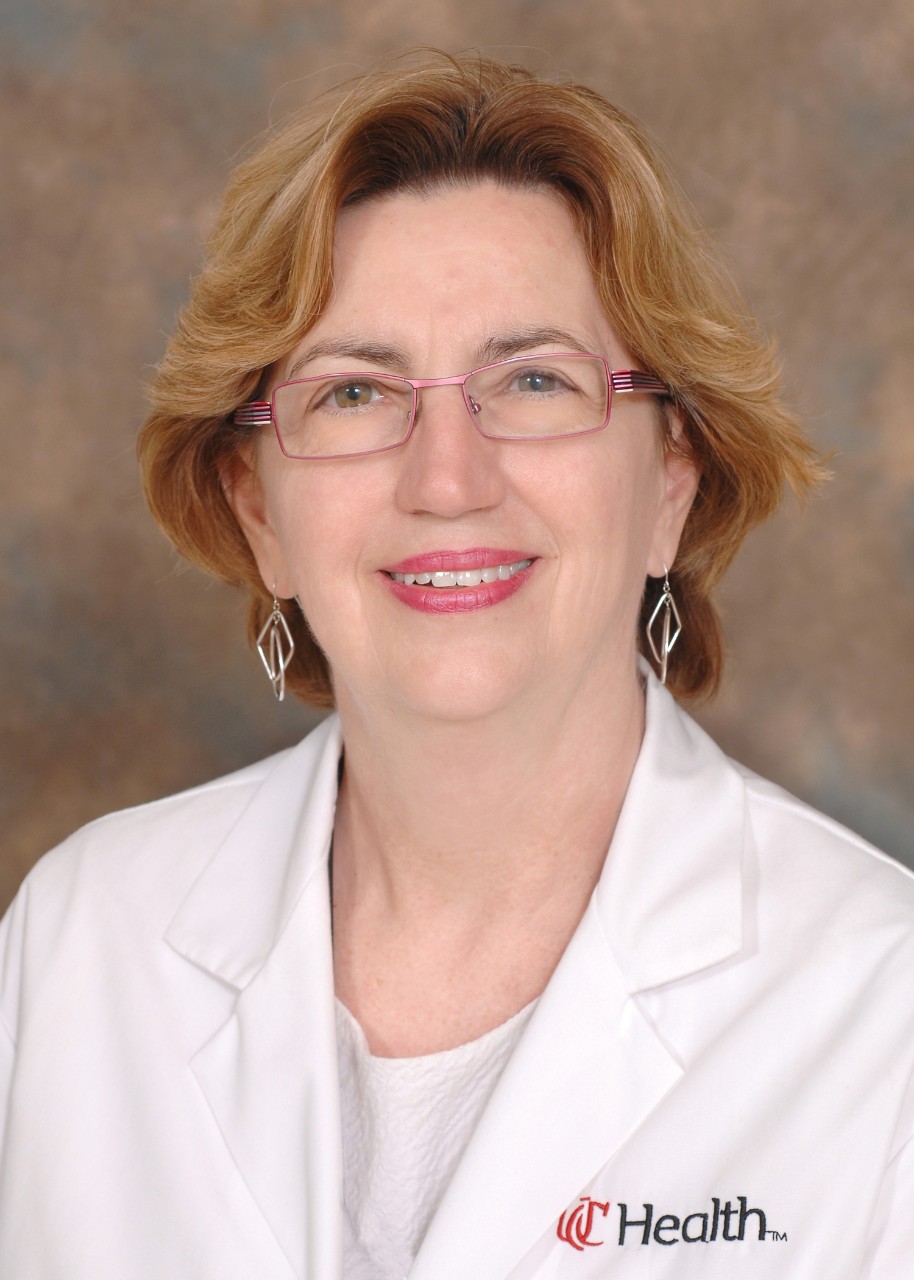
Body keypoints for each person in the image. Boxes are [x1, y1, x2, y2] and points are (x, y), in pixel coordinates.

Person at [0, 50, 911, 1280]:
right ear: (256, 509)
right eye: (355, 394)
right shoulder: (78, 941)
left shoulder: (878, 1005)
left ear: (670, 483)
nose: (445, 479)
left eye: (534, 380)